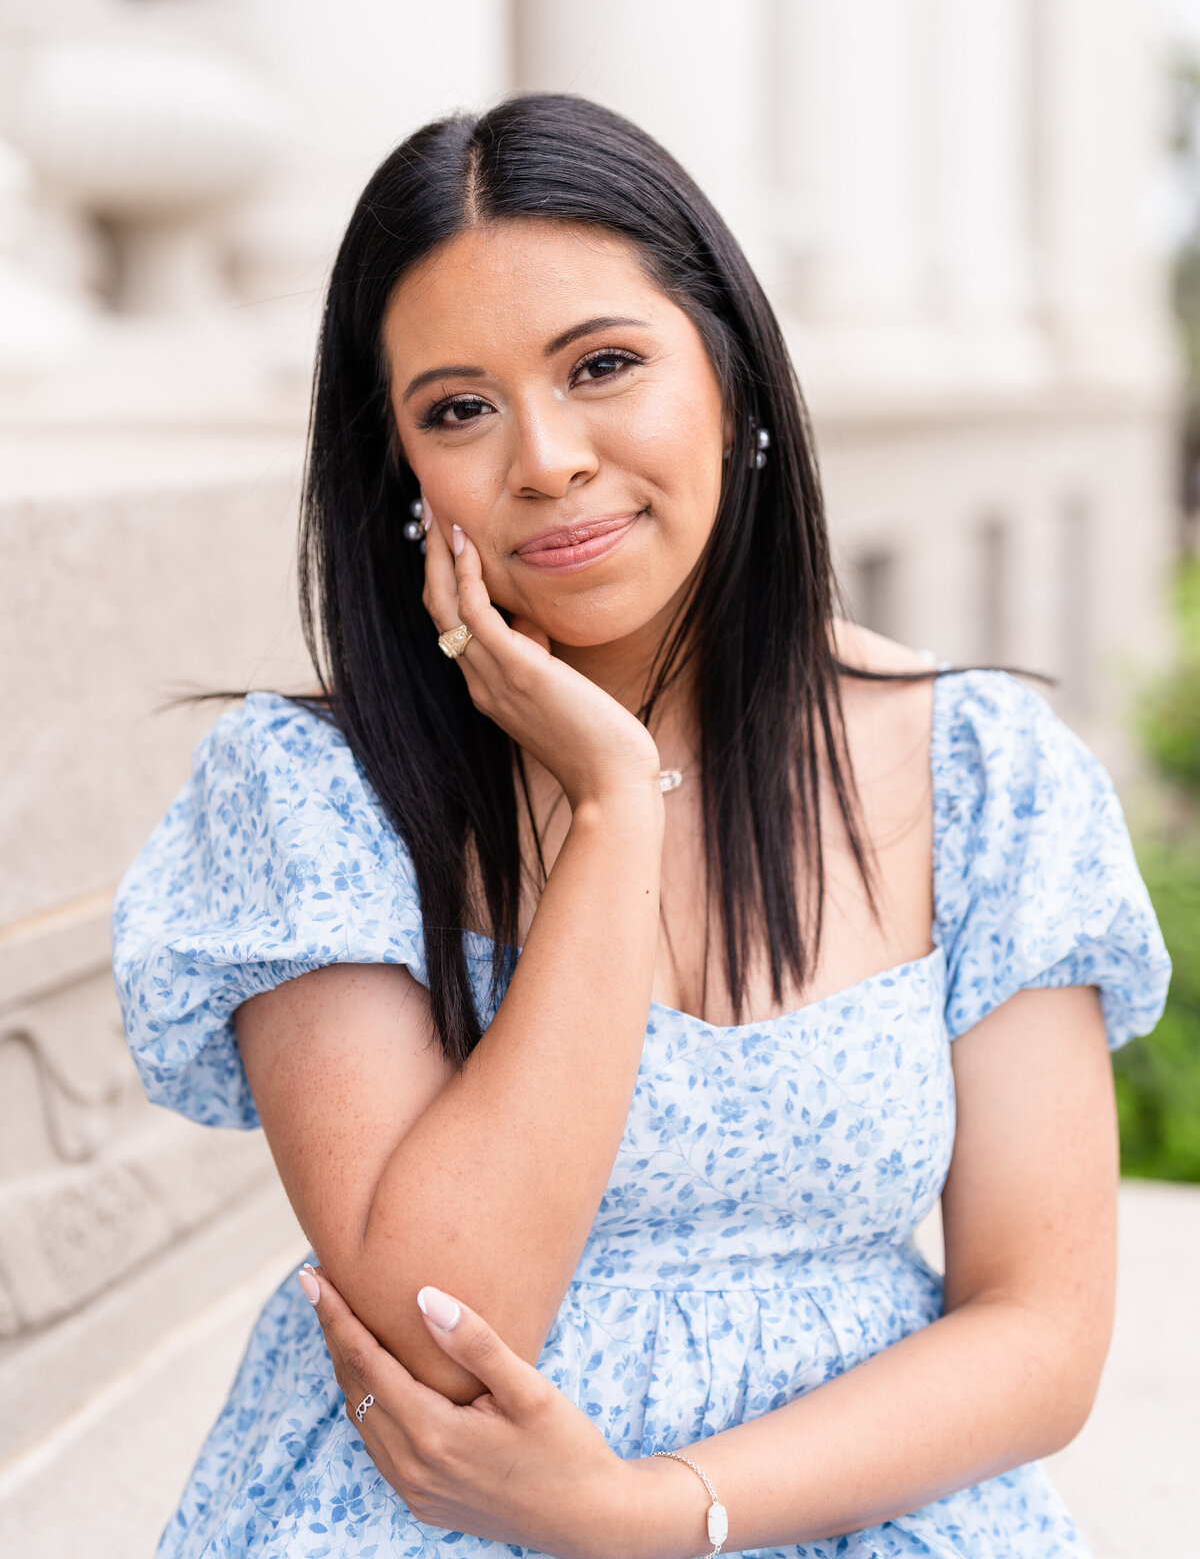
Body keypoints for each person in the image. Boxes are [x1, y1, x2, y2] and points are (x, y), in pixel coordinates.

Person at [113, 95, 1170, 1559]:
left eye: (603, 365)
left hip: (860, 1504)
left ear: (729, 377)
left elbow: (1042, 1331)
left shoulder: (984, 773)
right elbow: (447, 1319)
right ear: (403, 478)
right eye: (457, 409)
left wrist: (650, 1512)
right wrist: (614, 817)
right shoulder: (313, 790)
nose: (543, 458)